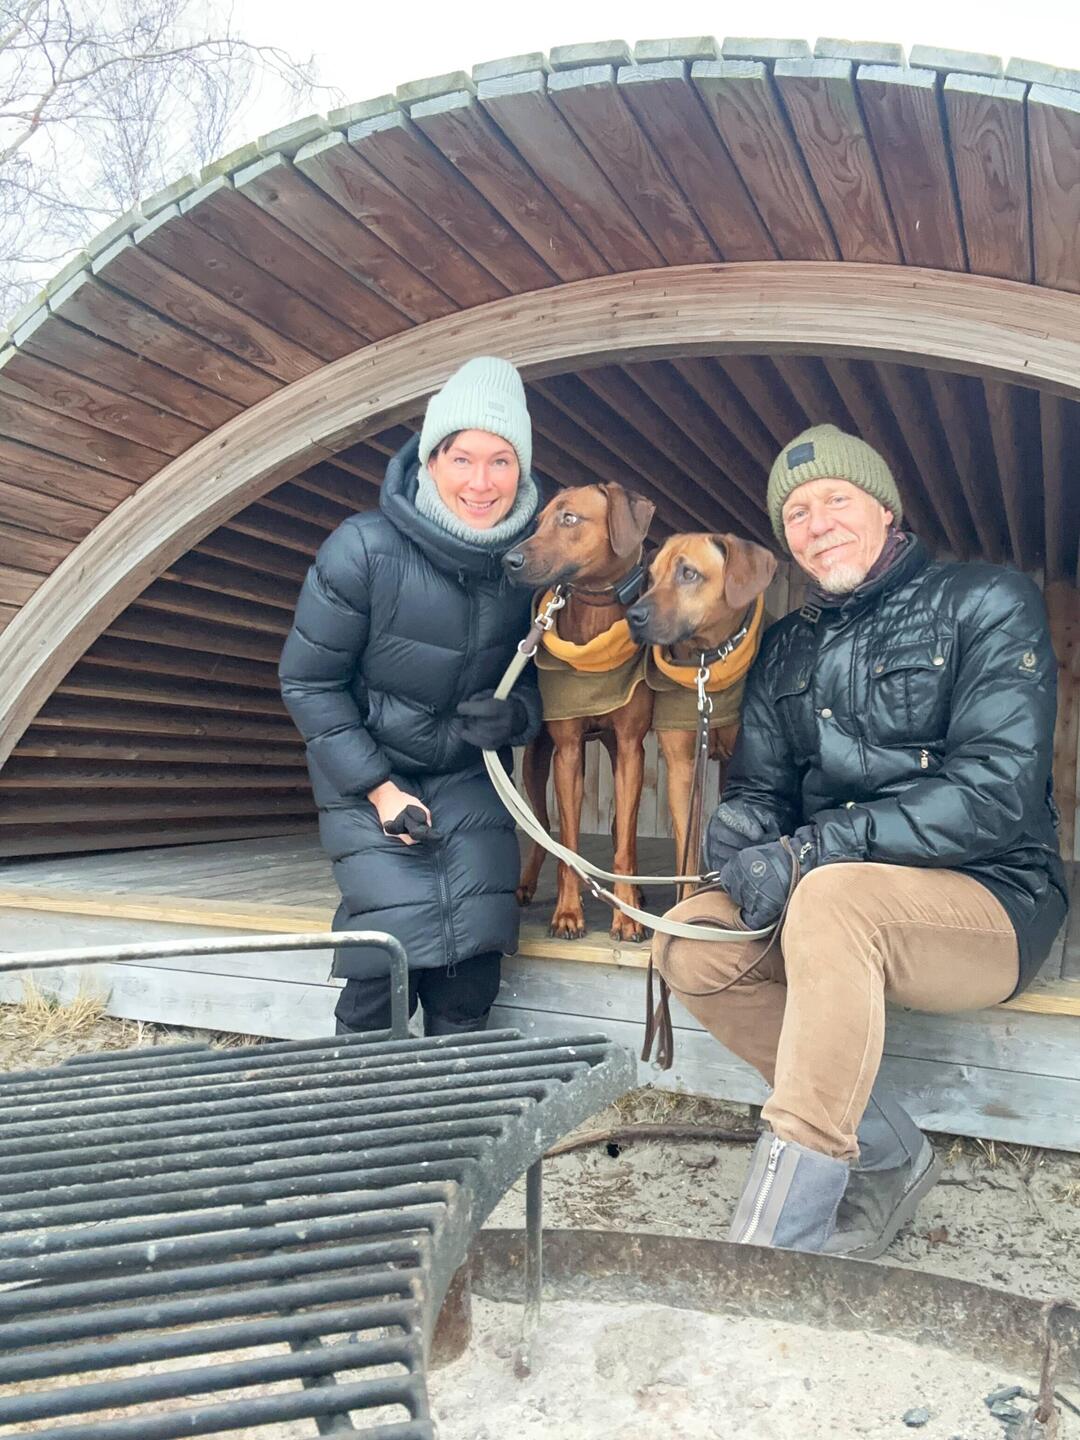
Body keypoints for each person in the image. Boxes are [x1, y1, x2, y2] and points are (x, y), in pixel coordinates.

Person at [653, 423, 1068, 1255]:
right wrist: (742, 832)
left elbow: (996, 791)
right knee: (689, 940)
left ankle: (780, 1240)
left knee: (833, 897)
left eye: (836, 499)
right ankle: (887, 1150)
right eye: (797, 513)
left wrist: (814, 849)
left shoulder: (986, 600)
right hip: (831, 887)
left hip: (990, 895)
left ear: (885, 508)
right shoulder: (786, 645)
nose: (818, 524)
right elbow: (764, 790)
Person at [279, 357, 541, 1036]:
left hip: (466, 774)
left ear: (521, 471)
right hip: (370, 770)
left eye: (501, 461)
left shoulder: (527, 567)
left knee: (473, 965)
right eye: (462, 459)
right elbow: (308, 680)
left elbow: (539, 682)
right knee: (384, 960)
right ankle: (361, 1091)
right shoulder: (363, 548)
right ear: (430, 461)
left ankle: (458, 1098)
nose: (480, 482)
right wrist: (379, 789)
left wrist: (514, 716)